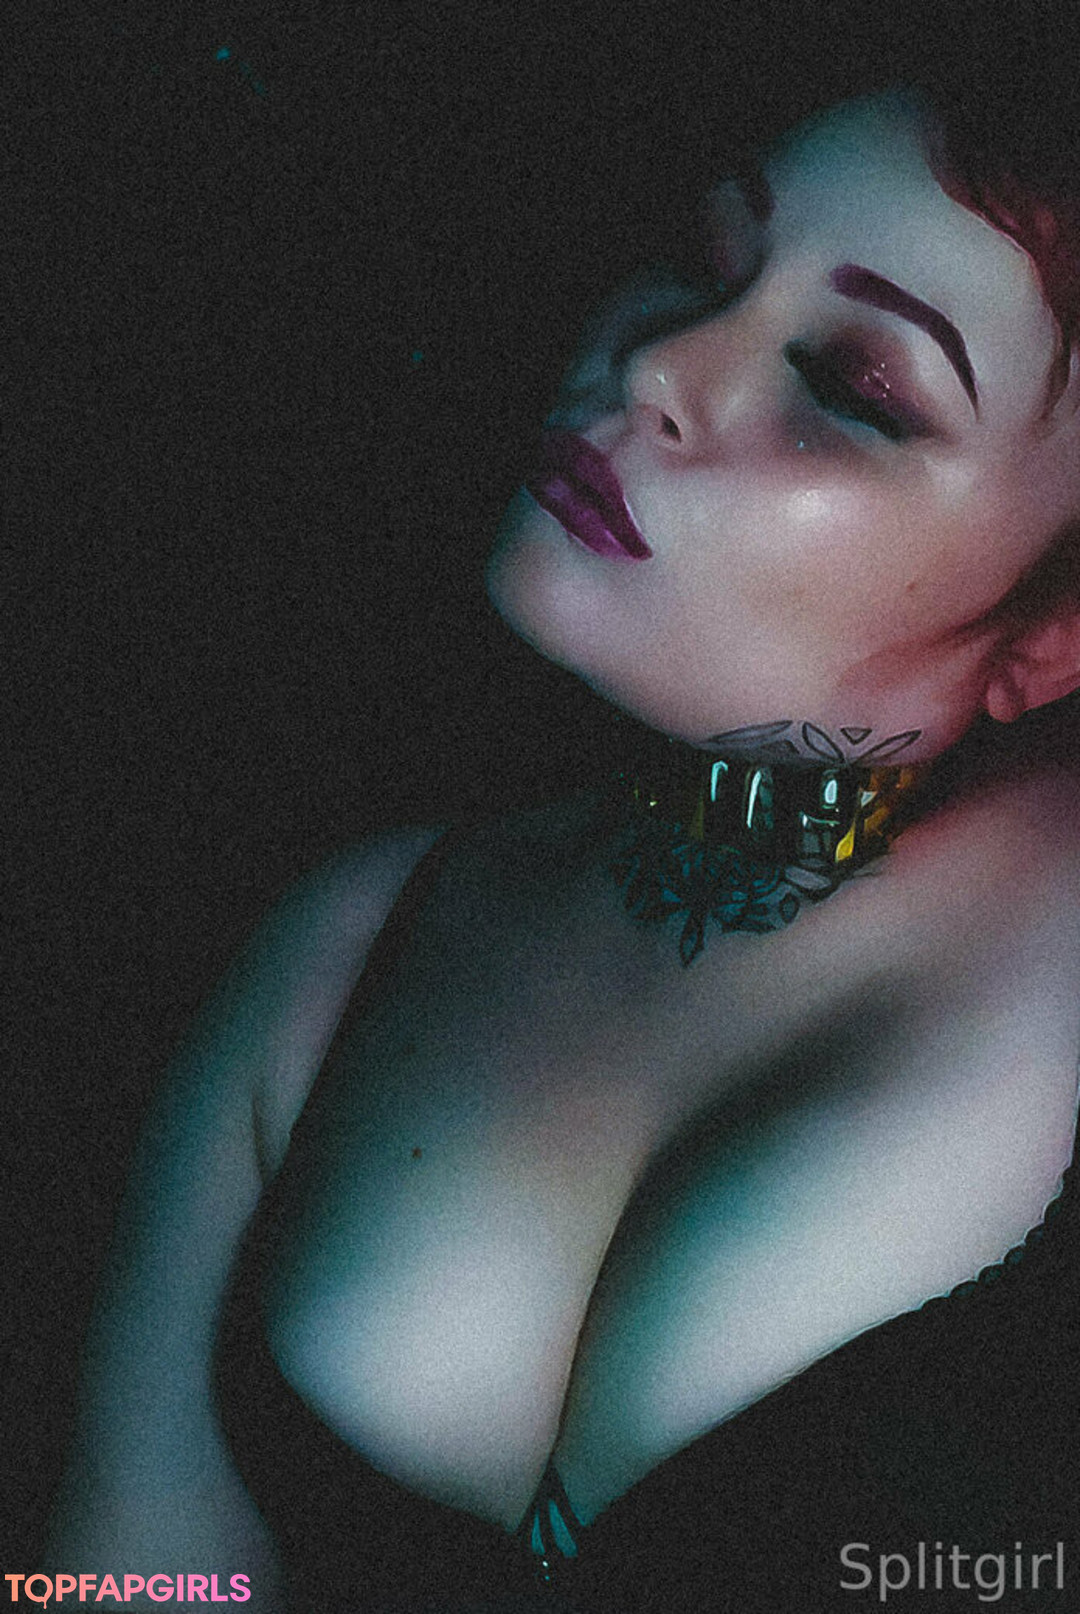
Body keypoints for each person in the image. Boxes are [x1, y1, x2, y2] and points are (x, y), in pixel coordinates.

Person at [44, 77, 1080, 1614]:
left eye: (850, 384)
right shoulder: (354, 940)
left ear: (1059, 635)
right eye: (699, 262)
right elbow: (119, 1582)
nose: (657, 360)